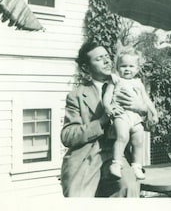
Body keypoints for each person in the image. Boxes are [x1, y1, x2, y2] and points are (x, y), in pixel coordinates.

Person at [60, 41, 151, 197]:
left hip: (118, 156)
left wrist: (140, 107)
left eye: (107, 57)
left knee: (128, 187)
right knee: (78, 201)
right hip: (87, 158)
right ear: (86, 68)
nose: (107, 61)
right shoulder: (77, 96)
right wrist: (101, 121)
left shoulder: (130, 85)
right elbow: (67, 136)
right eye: (99, 59)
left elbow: (151, 123)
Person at [103, 47, 158, 180]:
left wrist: (154, 113)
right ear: (117, 67)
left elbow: (147, 100)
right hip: (121, 114)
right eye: (123, 66)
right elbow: (107, 96)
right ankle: (116, 164)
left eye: (131, 66)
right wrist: (108, 107)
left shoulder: (138, 83)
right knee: (122, 136)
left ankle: (137, 166)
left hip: (135, 116)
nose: (127, 69)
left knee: (139, 139)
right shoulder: (115, 80)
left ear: (137, 69)